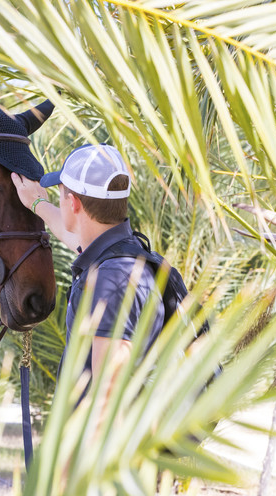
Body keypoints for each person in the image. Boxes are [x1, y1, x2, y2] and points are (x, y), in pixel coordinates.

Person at [11, 143, 165, 398]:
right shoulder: (126, 254)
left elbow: (108, 398)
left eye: (59, 195)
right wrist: (37, 203)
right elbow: (75, 238)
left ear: (73, 203)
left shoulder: (111, 280)